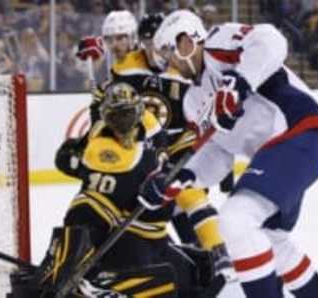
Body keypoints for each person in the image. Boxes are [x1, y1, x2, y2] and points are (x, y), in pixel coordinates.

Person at [139, 10, 318, 298]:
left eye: (167, 51)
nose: (165, 62)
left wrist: (238, 83)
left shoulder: (217, 44)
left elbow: (271, 40)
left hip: (298, 132)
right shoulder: (192, 101)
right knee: (271, 239)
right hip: (276, 156)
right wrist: (183, 176)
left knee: (236, 220)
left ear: (186, 41)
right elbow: (217, 155)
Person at [9, 83, 221, 298]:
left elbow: (168, 157)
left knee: (198, 274)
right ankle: (70, 276)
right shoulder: (102, 145)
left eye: (128, 114)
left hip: (154, 236)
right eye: (117, 116)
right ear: (106, 117)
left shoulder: (151, 131)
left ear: (139, 111)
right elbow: (74, 165)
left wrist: (181, 147)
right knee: (163, 283)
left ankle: (84, 281)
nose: (123, 122)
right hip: (126, 236)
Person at [75, 13, 235, 263]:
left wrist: (224, 159)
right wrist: (99, 99)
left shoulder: (183, 67)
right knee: (134, 209)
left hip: (178, 147)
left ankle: (216, 253)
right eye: (149, 44)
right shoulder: (126, 66)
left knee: (188, 196)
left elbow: (208, 108)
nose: (155, 51)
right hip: (142, 151)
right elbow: (109, 105)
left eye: (160, 46)